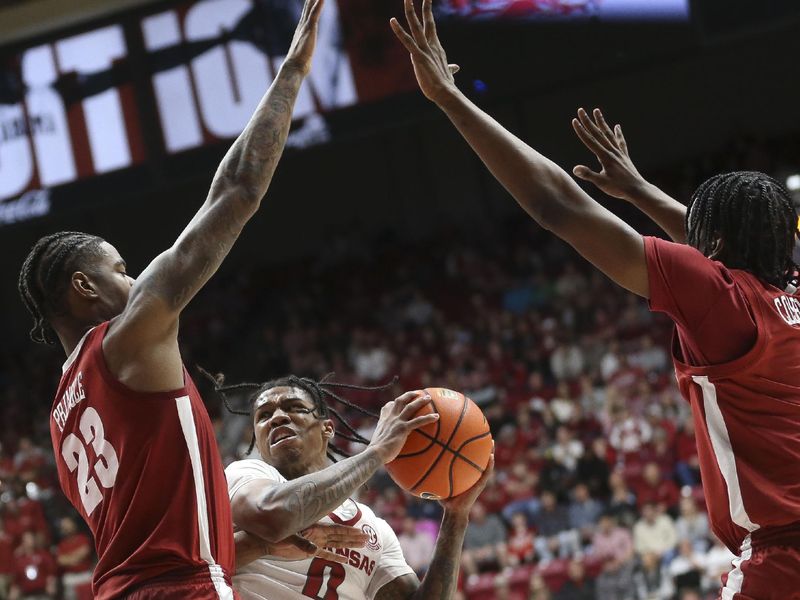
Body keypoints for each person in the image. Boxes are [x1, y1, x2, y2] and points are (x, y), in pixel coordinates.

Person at [391, 2, 800, 596]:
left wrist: (451, 99)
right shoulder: (782, 294)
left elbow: (558, 205)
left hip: (782, 560)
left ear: (714, 247)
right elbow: (712, 245)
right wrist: (637, 190)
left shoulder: (721, 299)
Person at [16, 0, 328, 596]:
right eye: (121, 269)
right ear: (85, 287)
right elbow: (235, 191)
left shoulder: (61, 414)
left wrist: (255, 540)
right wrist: (290, 73)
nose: (134, 282)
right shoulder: (127, 337)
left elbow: (153, 519)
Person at [208, 372, 493, 599]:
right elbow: (272, 515)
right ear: (257, 440)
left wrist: (456, 517)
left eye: (294, 408)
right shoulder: (245, 473)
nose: (278, 417)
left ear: (327, 429)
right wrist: (376, 452)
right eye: (264, 416)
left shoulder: (374, 529)